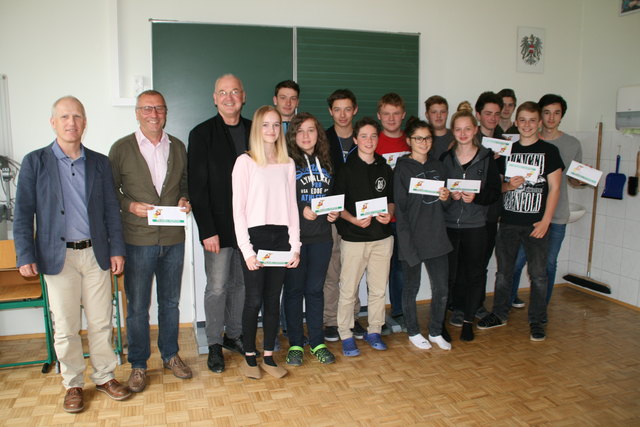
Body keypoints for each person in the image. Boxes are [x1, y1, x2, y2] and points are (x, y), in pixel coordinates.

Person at [14, 96, 130, 413]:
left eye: (77, 116)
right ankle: (73, 384)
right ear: (53, 122)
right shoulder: (34, 162)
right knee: (65, 327)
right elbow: (22, 213)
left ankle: (105, 376)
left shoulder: (99, 163)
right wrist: (24, 254)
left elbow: (111, 211)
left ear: (84, 122)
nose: (71, 122)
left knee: (101, 322)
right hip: (57, 258)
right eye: (64, 116)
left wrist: (117, 249)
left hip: (95, 256)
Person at [109, 90, 191, 393]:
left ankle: (171, 355)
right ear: (137, 112)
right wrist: (129, 206)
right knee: (139, 306)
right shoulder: (121, 149)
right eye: (147, 108)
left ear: (166, 112)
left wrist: (185, 199)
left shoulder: (178, 147)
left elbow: (186, 184)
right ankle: (139, 365)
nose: (153, 114)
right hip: (137, 239)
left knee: (170, 303)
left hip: (172, 237)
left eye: (158, 108)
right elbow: (110, 192)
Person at [478, 102, 564, 342]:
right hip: (508, 222)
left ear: (539, 123)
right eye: (522, 120)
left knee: (538, 275)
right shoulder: (507, 151)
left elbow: (555, 188)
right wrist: (509, 185)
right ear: (516, 122)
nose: (527, 125)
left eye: (532, 120)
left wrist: (546, 221)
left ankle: (537, 320)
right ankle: (500, 314)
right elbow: (498, 187)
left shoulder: (550, 151)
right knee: (504, 273)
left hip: (537, 224)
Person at [232, 105, 301, 379]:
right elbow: (238, 210)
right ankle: (249, 355)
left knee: (273, 300)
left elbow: (292, 207)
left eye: (276, 125)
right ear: (257, 129)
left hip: (280, 238)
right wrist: (247, 250)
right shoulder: (245, 162)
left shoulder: (288, 162)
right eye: (265, 125)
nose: (271, 130)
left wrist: (295, 245)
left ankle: (269, 356)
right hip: (255, 237)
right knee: (253, 300)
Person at [188, 74, 251, 374]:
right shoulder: (201, 134)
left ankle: (233, 336)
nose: (229, 97)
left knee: (240, 286)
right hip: (218, 228)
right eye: (223, 92)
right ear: (214, 98)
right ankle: (214, 343)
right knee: (216, 287)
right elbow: (197, 187)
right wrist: (207, 230)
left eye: (234, 91)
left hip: (251, 228)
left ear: (243, 96)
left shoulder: (255, 130)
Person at [510, 94, 584, 308]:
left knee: (548, 264)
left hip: (558, 215)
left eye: (557, 113)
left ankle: (541, 307)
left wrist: (582, 182)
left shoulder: (572, 143)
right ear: (540, 116)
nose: (552, 118)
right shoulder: (526, 141)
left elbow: (572, 179)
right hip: (529, 215)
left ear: (562, 116)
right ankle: (510, 300)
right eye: (547, 112)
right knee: (516, 262)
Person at [334, 117, 395, 356]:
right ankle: (346, 334)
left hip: (382, 237)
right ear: (355, 139)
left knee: (378, 289)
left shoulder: (384, 167)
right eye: (364, 136)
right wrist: (352, 220)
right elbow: (337, 206)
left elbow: (391, 201)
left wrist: (388, 215)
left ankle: (374, 330)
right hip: (353, 239)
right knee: (348, 289)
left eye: (373, 136)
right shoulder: (346, 169)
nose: (369, 141)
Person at [441, 110, 501, 342]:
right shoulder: (446, 160)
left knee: (474, 274)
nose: (463, 133)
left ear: (475, 130)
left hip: (476, 226)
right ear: (452, 131)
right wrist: (449, 197)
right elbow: (439, 196)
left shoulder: (487, 158)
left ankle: (468, 321)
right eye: (458, 129)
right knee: (448, 276)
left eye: (467, 128)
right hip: (449, 226)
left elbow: (494, 193)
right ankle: (443, 323)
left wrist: (476, 197)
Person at [283, 112, 338, 366]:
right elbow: (278, 198)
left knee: (315, 291)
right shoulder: (286, 162)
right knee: (294, 291)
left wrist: (334, 210)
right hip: (295, 239)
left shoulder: (326, 162)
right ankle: (295, 343)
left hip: (322, 238)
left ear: (319, 134)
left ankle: (317, 341)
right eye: (300, 131)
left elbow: (331, 195)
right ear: (293, 136)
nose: (306, 136)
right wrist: (300, 205)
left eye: (311, 130)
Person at [394, 117, 452, 350]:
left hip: (437, 237)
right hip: (413, 239)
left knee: (441, 288)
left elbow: (444, 206)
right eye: (418, 138)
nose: (423, 142)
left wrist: (446, 199)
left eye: (427, 138)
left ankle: (436, 331)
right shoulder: (402, 168)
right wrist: (406, 244)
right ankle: (414, 331)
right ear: (409, 140)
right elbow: (400, 208)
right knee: (411, 288)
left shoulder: (439, 166)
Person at [323, 89, 364, 342]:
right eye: (337, 109)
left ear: (355, 110)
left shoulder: (364, 138)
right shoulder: (323, 139)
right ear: (330, 112)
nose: (342, 114)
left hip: (357, 215)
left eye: (347, 109)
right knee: (332, 270)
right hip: (331, 215)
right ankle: (329, 320)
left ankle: (352, 317)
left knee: (354, 270)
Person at [375, 93, 408, 326]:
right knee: (379, 269)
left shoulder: (412, 141)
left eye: (396, 113)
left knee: (401, 268)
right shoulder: (373, 142)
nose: (391, 118)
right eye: (386, 113)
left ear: (403, 115)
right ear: (379, 116)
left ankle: (399, 310)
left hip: (407, 219)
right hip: (382, 218)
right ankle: (377, 314)